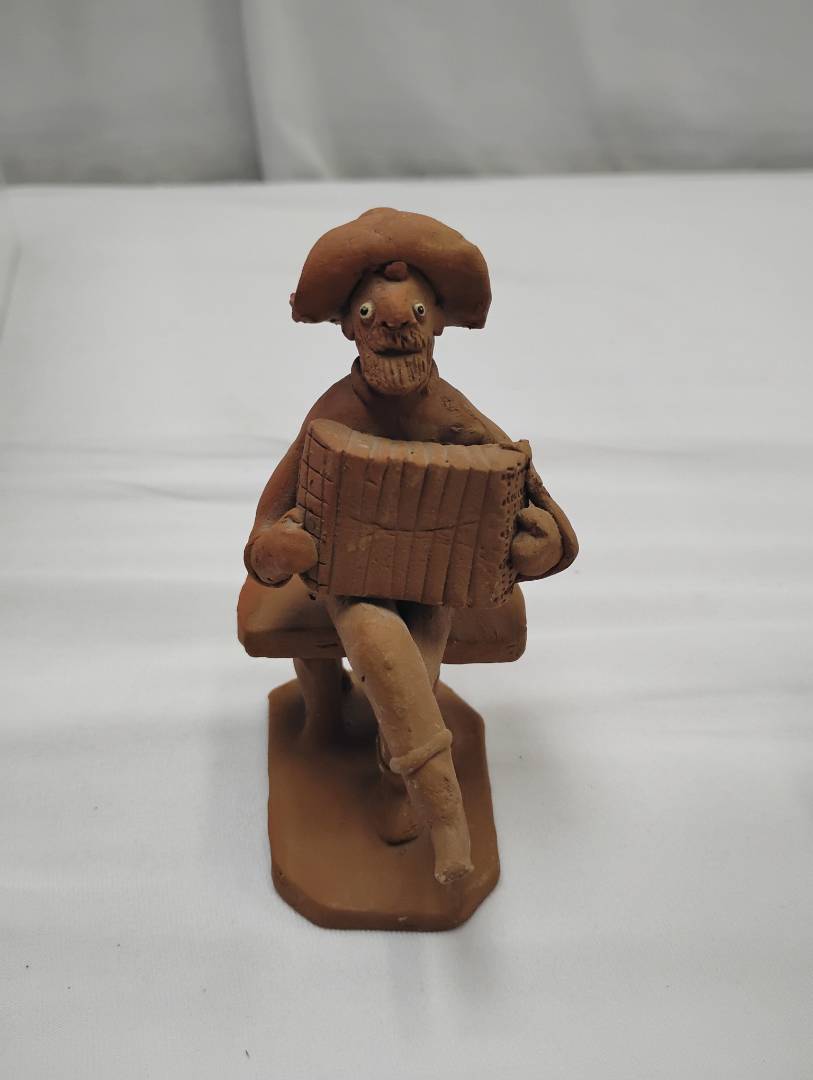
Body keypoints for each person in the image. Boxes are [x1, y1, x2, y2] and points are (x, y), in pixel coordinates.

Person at [244, 208, 577, 885]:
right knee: (375, 639)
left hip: (436, 578)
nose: (396, 330)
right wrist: (276, 550)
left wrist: (545, 546)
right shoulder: (334, 413)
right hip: (350, 580)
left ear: (438, 323)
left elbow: (531, 493)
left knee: (415, 669)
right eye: (372, 315)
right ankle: (443, 814)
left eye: (415, 315)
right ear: (349, 325)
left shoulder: (451, 413)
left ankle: (401, 781)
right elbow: (268, 518)